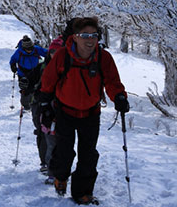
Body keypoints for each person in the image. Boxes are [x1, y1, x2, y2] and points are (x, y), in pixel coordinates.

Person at [38, 17, 129, 205]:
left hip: (90, 114)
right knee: (63, 152)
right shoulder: (62, 56)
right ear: (75, 37)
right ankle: (60, 177)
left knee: (88, 155)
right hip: (65, 112)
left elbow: (112, 82)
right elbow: (48, 81)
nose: (90, 40)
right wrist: (45, 104)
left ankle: (82, 192)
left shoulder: (103, 58)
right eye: (85, 35)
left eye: (94, 36)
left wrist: (119, 96)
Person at [36, 37, 63, 183]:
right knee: (50, 142)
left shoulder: (68, 68)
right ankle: (52, 172)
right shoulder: (43, 67)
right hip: (47, 112)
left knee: (63, 144)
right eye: (52, 51)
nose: (55, 54)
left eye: (58, 51)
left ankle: (61, 171)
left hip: (64, 112)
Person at [9, 35, 48, 110]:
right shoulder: (19, 52)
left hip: (35, 72)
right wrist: (13, 67)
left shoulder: (36, 49)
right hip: (23, 73)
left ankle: (35, 102)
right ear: (24, 48)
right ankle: (26, 105)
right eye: (28, 49)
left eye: (31, 48)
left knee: (35, 87)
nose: (30, 50)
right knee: (25, 89)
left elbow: (46, 53)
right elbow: (12, 60)